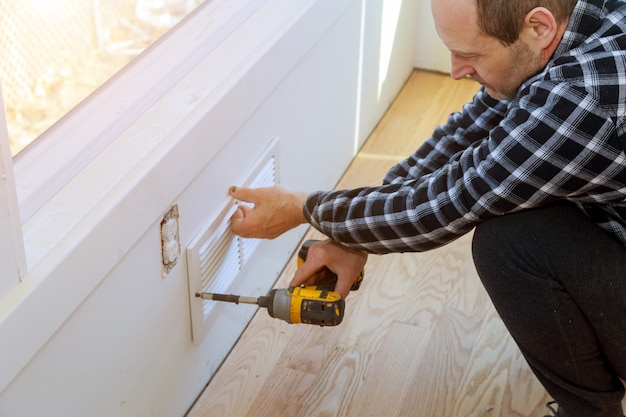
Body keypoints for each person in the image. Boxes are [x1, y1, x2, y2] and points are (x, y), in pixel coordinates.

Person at [227, 0, 626, 416]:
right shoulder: (573, 25)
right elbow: (469, 131)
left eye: (470, 55)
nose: (455, 70)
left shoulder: (584, 96)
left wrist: (303, 208)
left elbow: (445, 203)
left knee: (510, 242)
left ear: (538, 27)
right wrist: (351, 235)